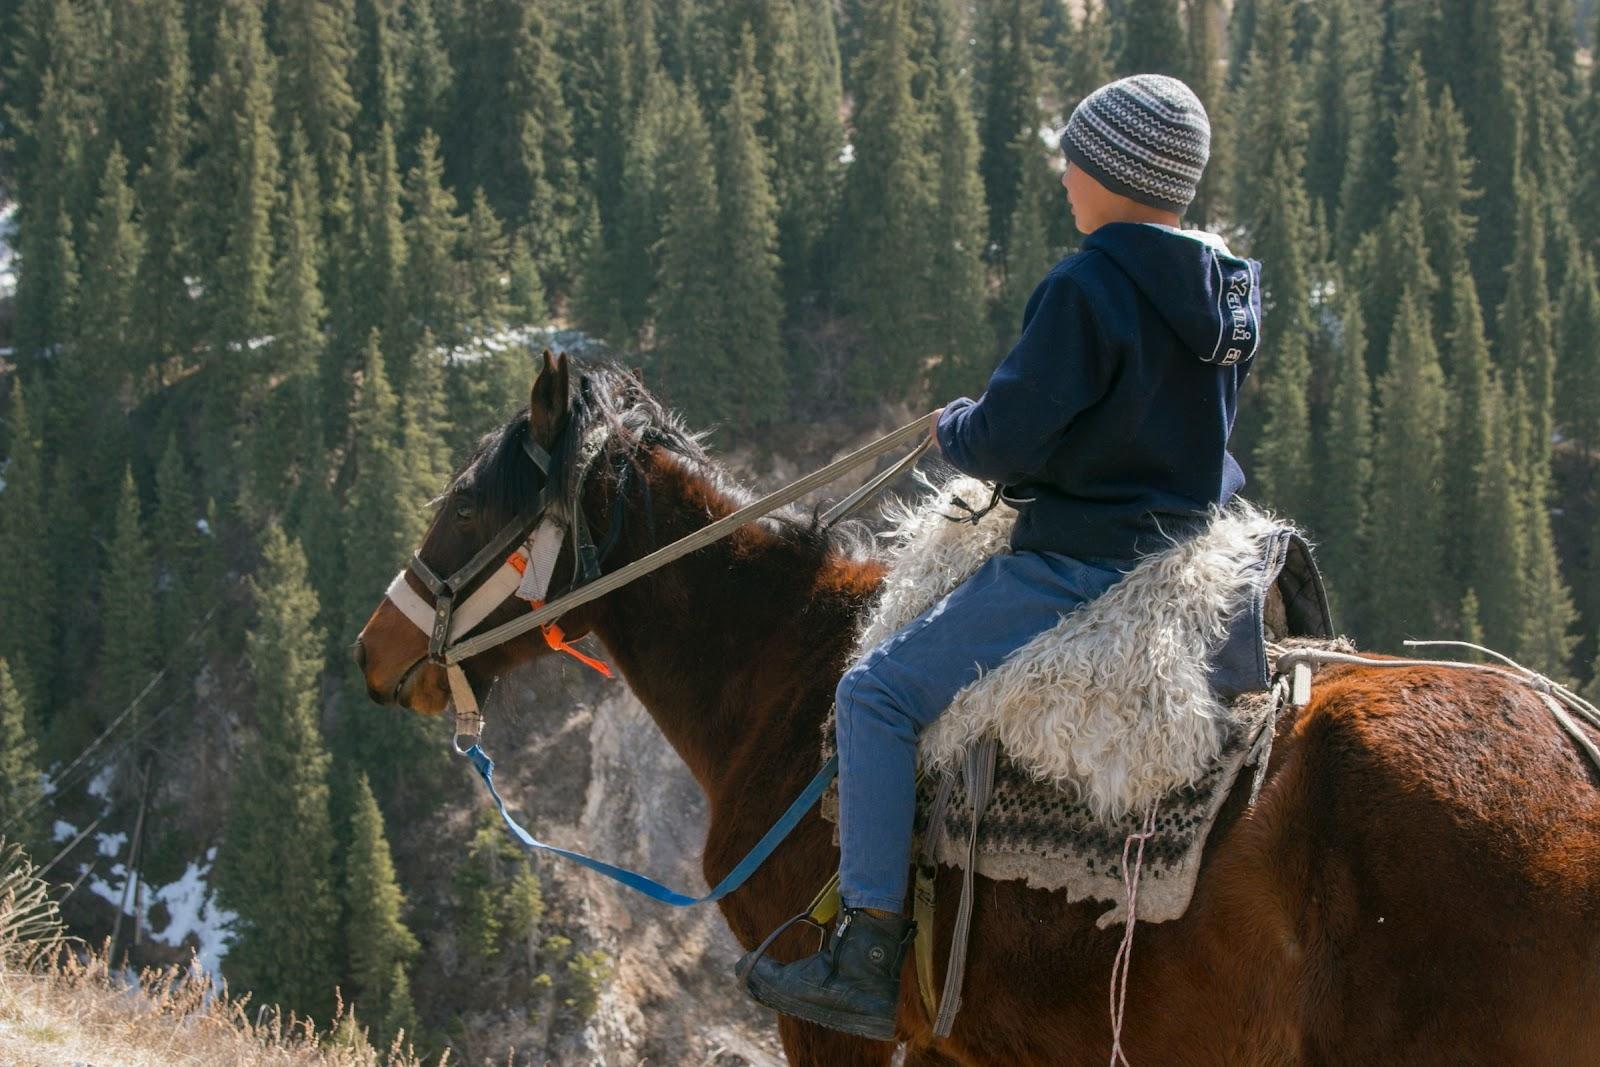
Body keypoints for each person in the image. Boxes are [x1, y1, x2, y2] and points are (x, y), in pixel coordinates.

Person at [740, 73, 1264, 1041]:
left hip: (1080, 563)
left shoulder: (1087, 286)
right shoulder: (1228, 289)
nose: (1065, 172)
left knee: (874, 694)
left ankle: (865, 950)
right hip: (1187, 553)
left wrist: (957, 427)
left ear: (1114, 172)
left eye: (1078, 156)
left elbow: (1010, 440)